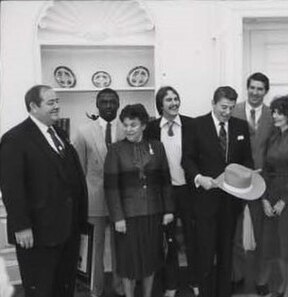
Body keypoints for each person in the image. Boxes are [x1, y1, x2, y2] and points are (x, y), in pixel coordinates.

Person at [0, 85, 88, 297]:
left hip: (67, 229)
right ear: (33, 106)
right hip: (37, 234)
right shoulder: (15, 139)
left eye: (57, 101)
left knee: (64, 286)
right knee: (41, 289)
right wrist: (21, 226)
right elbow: (11, 186)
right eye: (51, 103)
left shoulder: (58, 133)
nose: (57, 106)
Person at [182, 86, 253, 297]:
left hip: (231, 201)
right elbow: (187, 158)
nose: (227, 112)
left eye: (231, 107)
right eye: (223, 107)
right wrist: (198, 178)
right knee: (205, 252)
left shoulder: (240, 126)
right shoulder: (196, 125)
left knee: (226, 253)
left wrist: (247, 174)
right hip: (205, 200)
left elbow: (247, 158)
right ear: (213, 103)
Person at [104, 104, 175, 297]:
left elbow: (165, 180)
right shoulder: (115, 150)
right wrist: (117, 217)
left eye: (133, 125)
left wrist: (168, 210)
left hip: (153, 212)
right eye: (125, 125)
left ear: (144, 125)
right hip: (127, 216)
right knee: (128, 262)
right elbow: (111, 188)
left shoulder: (157, 147)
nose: (128, 129)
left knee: (150, 258)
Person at [144, 86, 197, 297]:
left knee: (194, 238)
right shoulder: (151, 128)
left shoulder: (192, 125)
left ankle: (195, 280)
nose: (174, 103)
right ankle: (171, 284)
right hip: (164, 193)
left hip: (190, 191)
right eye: (169, 100)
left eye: (176, 98)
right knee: (168, 240)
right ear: (160, 105)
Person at [72, 88, 124, 297]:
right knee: (95, 249)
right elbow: (78, 171)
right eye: (104, 102)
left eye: (113, 102)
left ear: (119, 104)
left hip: (123, 201)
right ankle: (96, 290)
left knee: (121, 248)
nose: (109, 106)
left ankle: (121, 289)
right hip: (94, 200)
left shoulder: (128, 128)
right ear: (97, 104)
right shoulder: (83, 132)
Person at [258, 95, 288, 297]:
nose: (274, 116)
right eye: (274, 112)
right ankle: (284, 283)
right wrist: (266, 199)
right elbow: (266, 170)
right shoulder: (273, 138)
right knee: (275, 245)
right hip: (271, 194)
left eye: (278, 112)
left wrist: (283, 201)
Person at [231, 72, 274, 294]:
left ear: (266, 91)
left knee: (262, 234)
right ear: (246, 88)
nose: (255, 92)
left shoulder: (272, 114)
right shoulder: (233, 110)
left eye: (260, 89)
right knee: (234, 232)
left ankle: (262, 279)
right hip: (236, 181)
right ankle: (236, 275)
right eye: (252, 88)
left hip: (262, 183)